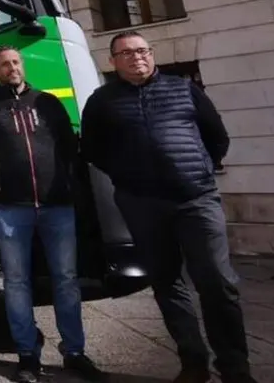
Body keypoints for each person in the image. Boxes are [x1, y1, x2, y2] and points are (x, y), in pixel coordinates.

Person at [81, 31, 253, 383]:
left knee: (218, 282)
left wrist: (198, 169)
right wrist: (126, 175)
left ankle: (235, 367)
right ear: (113, 61)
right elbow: (93, 149)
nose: (136, 58)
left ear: (152, 53)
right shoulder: (102, 100)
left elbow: (216, 137)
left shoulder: (184, 88)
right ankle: (193, 362)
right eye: (126, 53)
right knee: (166, 282)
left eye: (142, 51)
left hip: (196, 199)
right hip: (141, 203)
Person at [0, 46, 105, 383]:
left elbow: (69, 150)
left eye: (15, 62)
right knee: (15, 283)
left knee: (66, 280)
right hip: (10, 209)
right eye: (4, 65)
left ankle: (74, 352)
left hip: (57, 206)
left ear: (21, 66)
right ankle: (27, 355)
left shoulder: (48, 103)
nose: (11, 68)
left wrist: (69, 188)